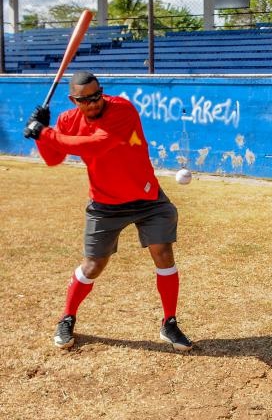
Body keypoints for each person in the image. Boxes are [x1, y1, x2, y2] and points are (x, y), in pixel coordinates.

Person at [23, 71, 192, 352]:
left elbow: (97, 145)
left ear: (102, 90)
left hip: (147, 198)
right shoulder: (67, 120)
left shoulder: (122, 109)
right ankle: (67, 318)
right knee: (93, 265)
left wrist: (45, 132)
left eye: (96, 95)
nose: (92, 103)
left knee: (163, 253)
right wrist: (41, 134)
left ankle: (169, 322)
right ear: (72, 99)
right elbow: (54, 158)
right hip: (105, 204)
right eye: (84, 100)